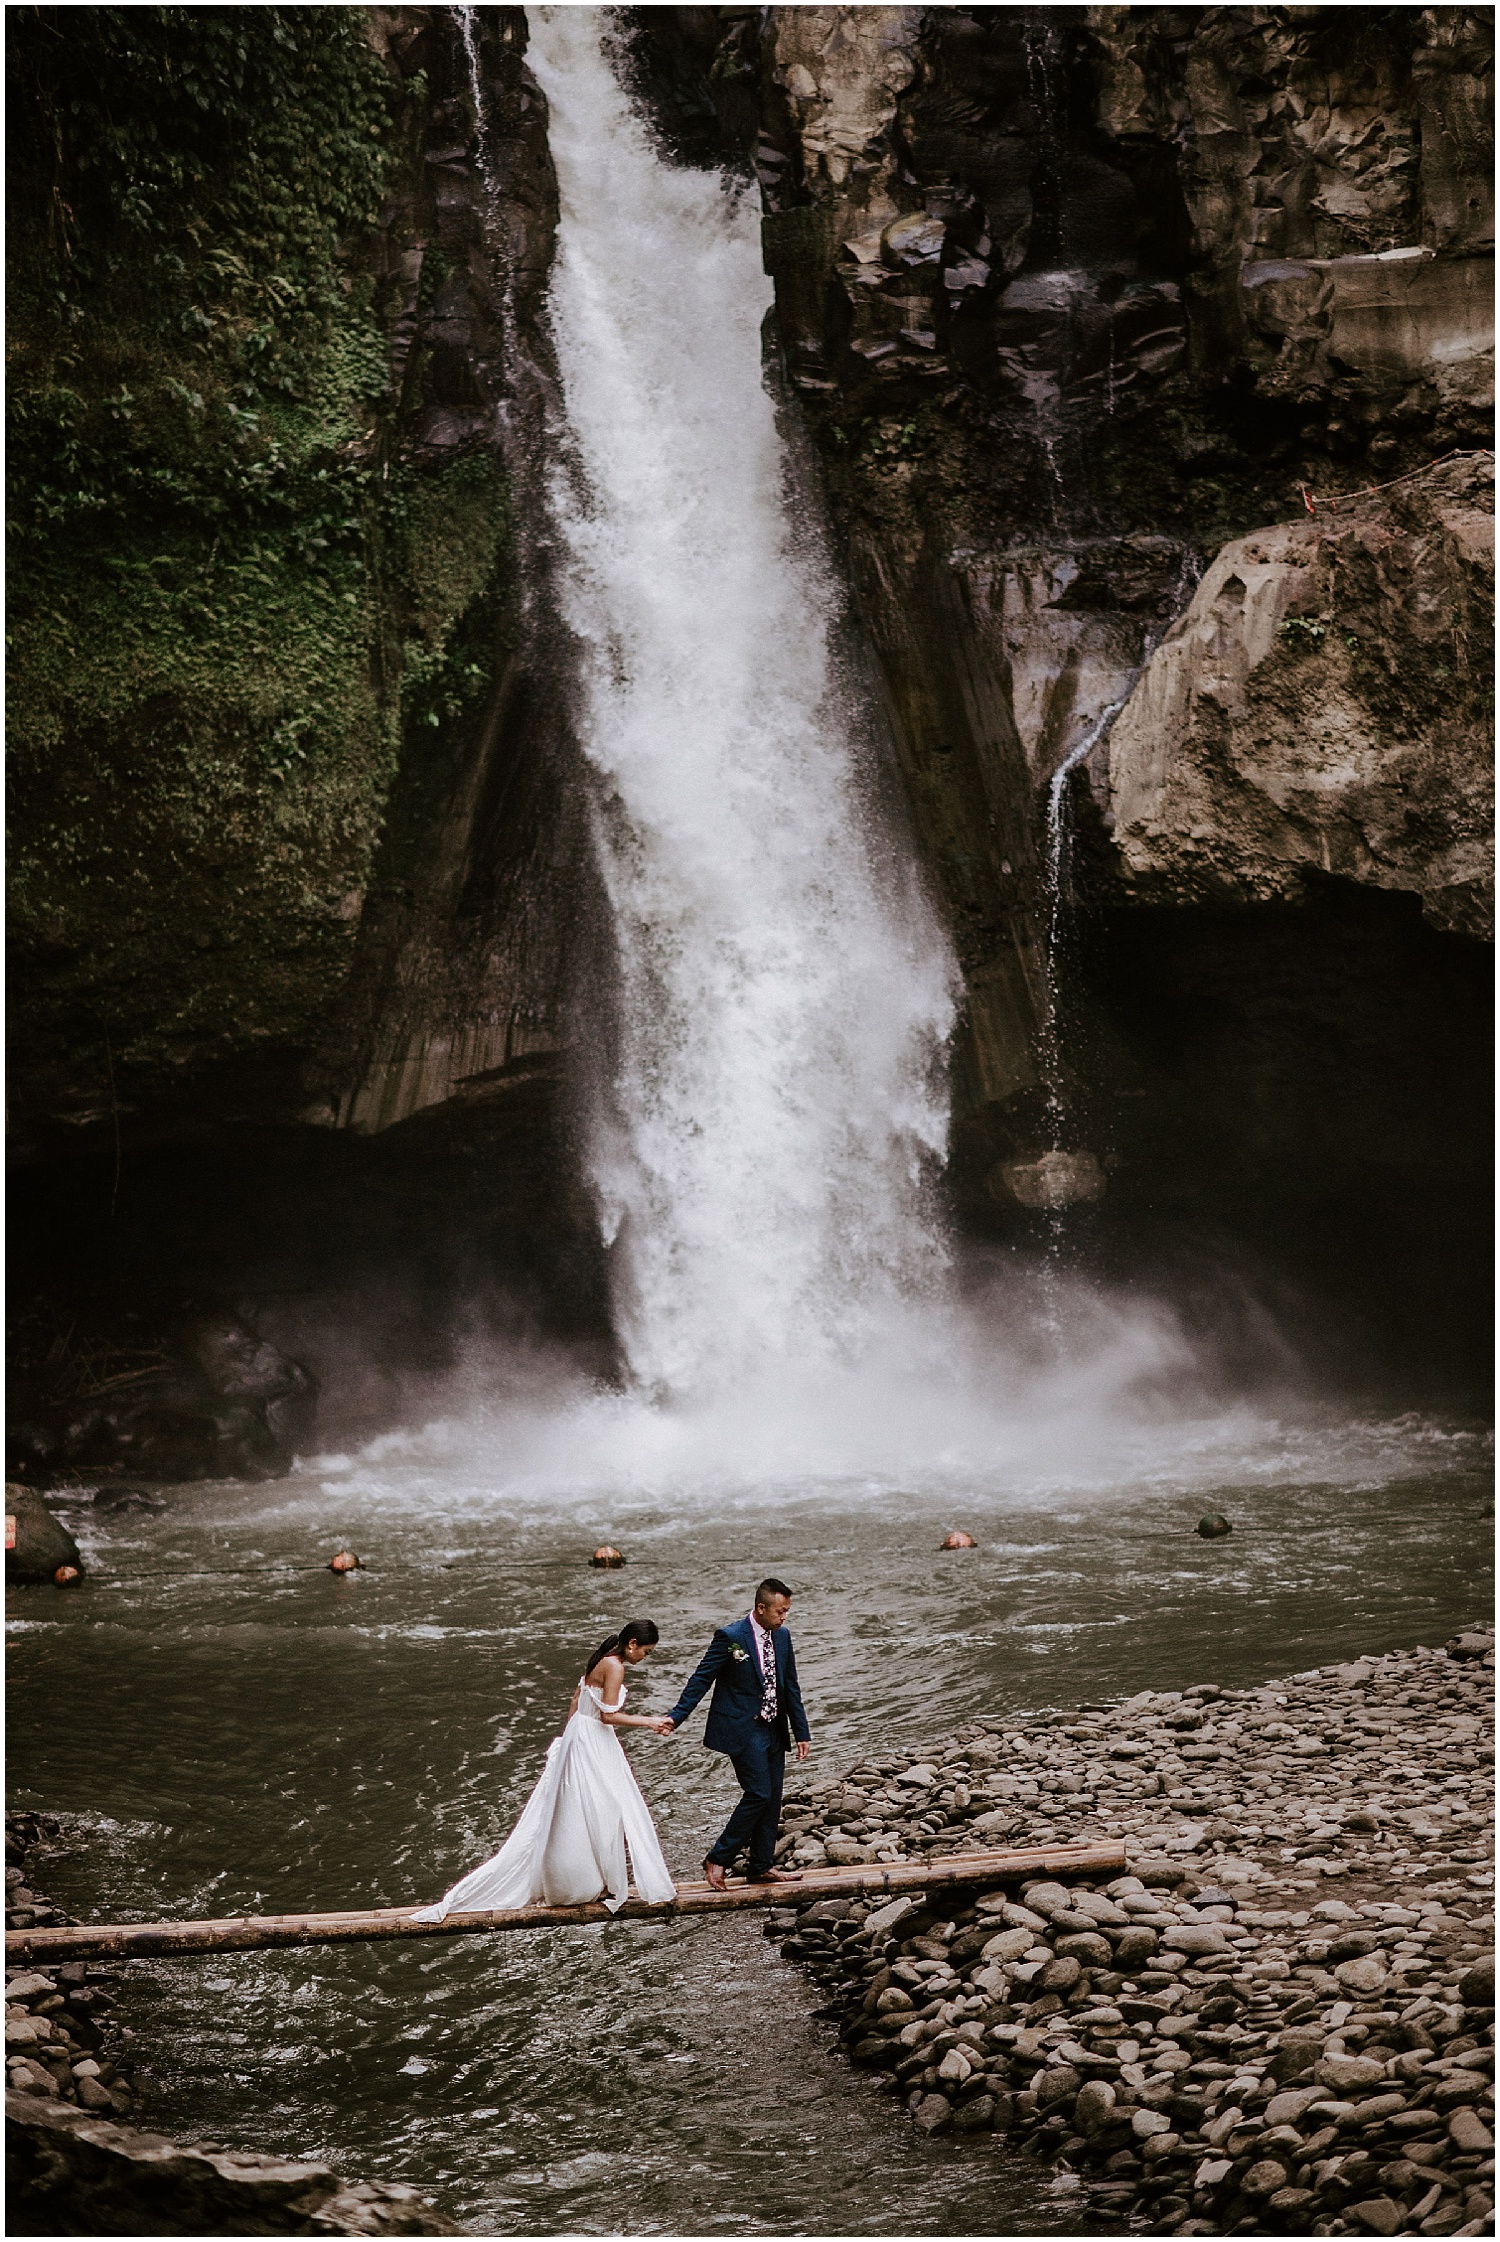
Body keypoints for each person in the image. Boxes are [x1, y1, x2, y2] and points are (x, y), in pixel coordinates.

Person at [413, 1622, 677, 1920]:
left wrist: (566, 1742)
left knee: (583, 1807)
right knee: (604, 1807)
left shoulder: (599, 1659)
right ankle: (592, 1880)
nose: (645, 1657)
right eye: (647, 1651)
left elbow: (575, 1701)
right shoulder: (614, 1666)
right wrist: (652, 1722)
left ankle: (589, 1878)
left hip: (580, 1736)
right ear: (632, 1644)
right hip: (593, 1739)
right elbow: (607, 1715)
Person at [662, 1577, 811, 1888]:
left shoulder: (782, 1637)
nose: (784, 1618)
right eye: (780, 1612)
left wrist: (801, 1732)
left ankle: (760, 1865)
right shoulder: (731, 1637)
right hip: (742, 1728)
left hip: (773, 1728)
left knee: (772, 1799)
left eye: (786, 1612)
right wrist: (676, 1717)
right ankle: (718, 1858)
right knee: (758, 1793)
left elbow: (790, 1686)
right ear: (760, 1607)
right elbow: (701, 1679)